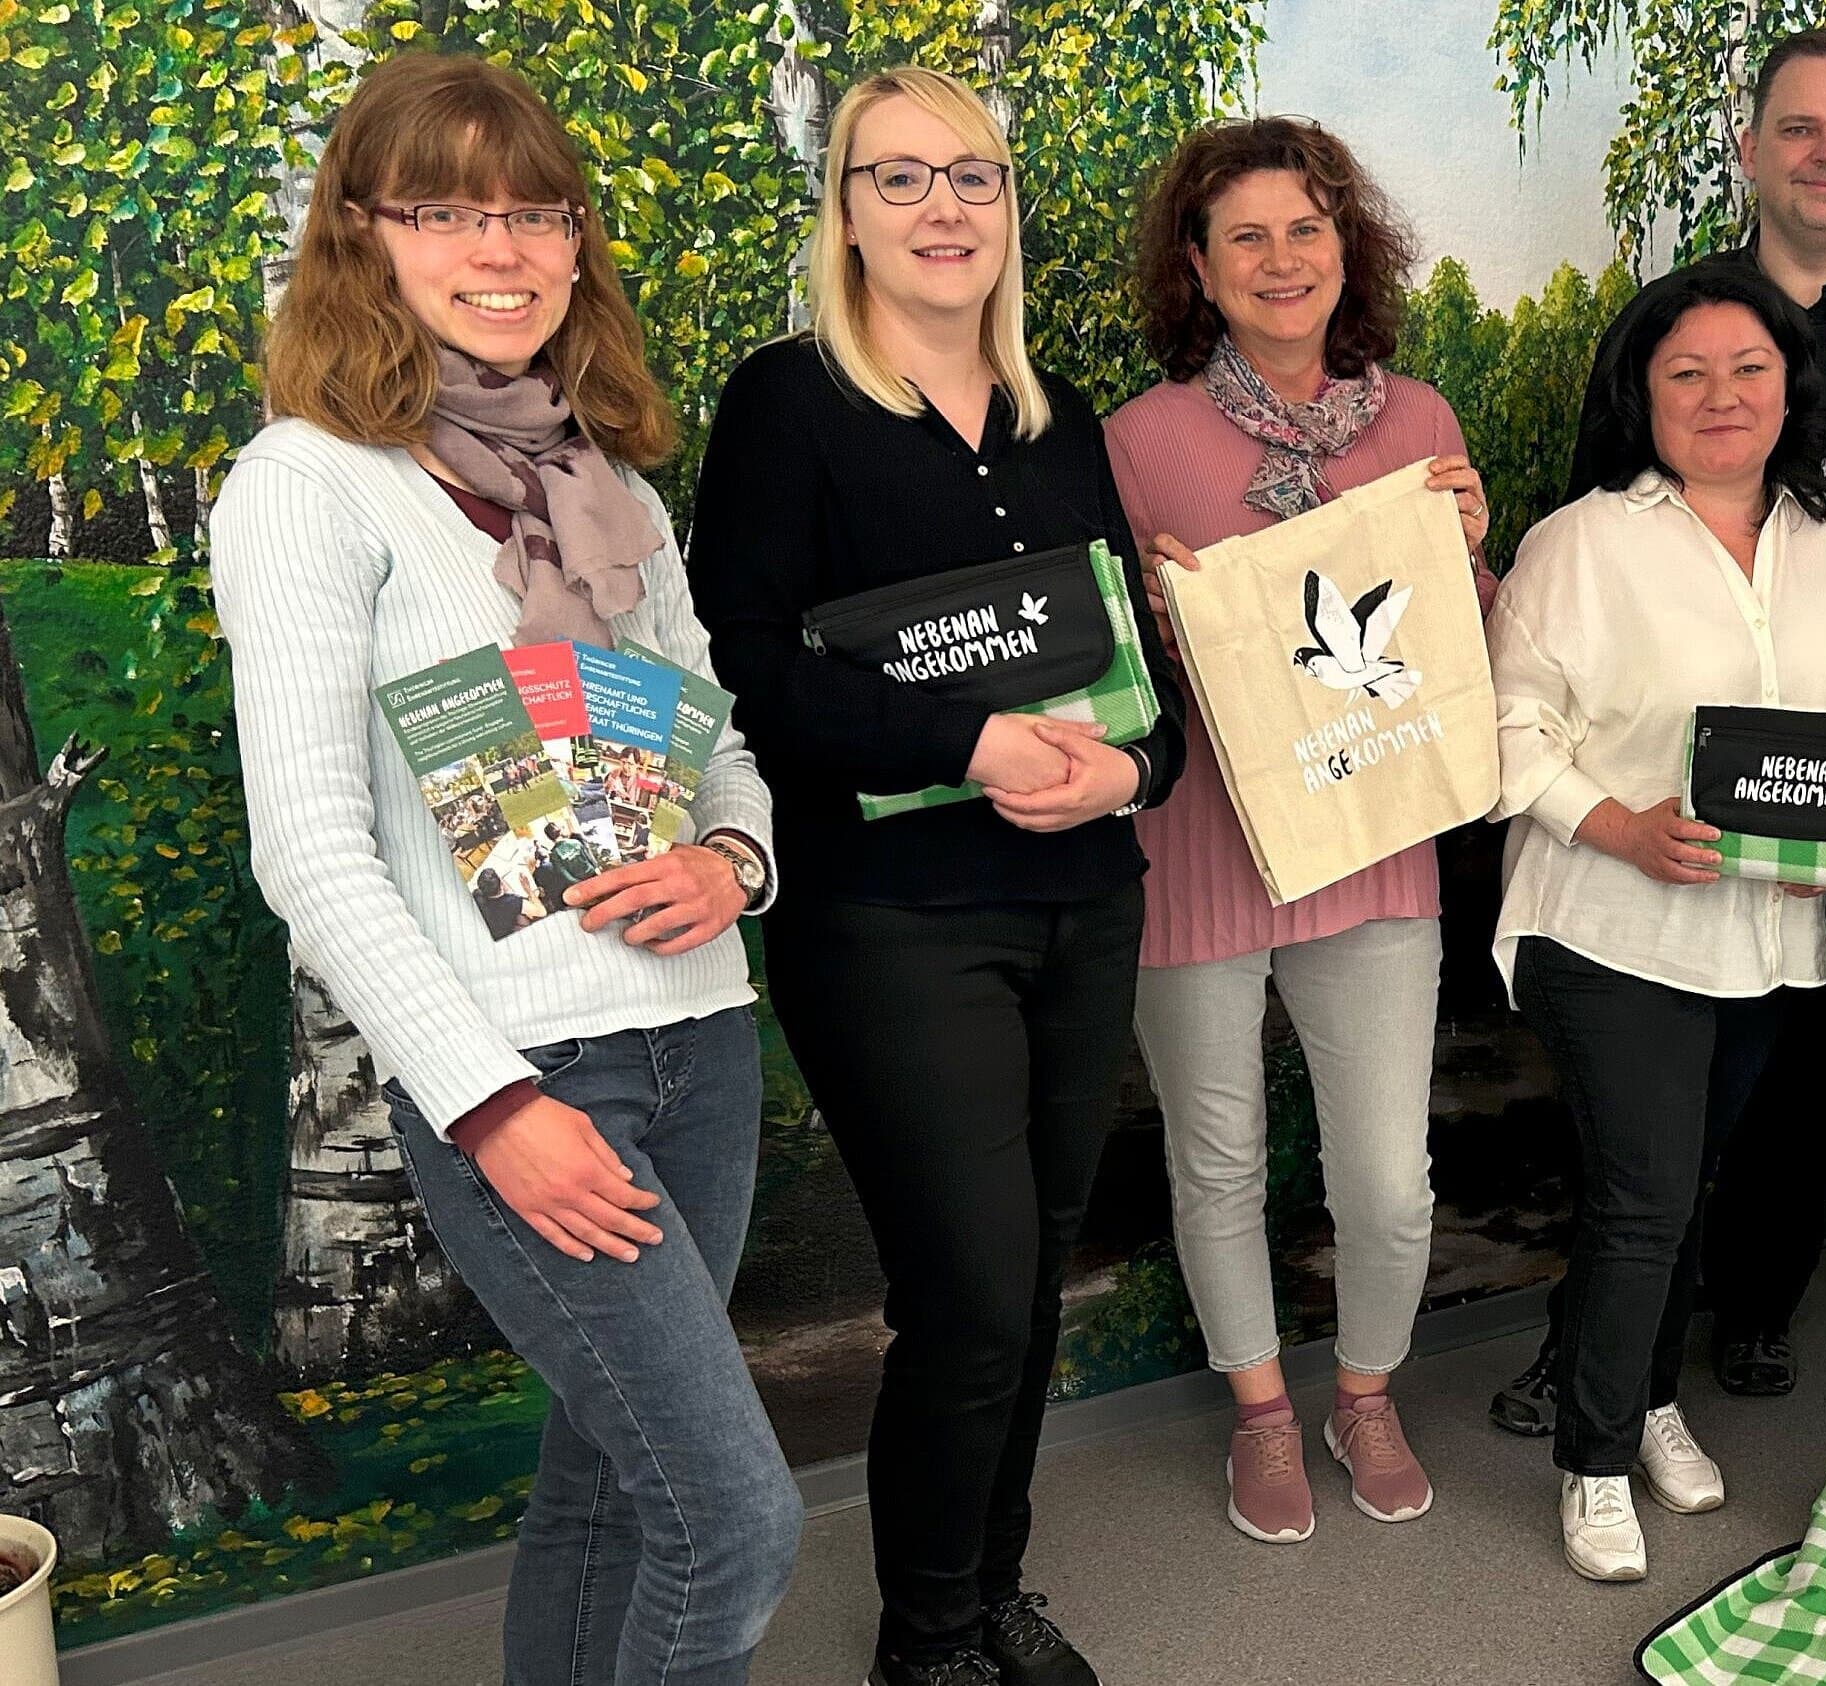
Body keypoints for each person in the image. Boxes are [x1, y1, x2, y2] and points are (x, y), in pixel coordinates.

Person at [209, 52, 798, 1686]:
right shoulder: (309, 487)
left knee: (611, 1487)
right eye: (450, 208)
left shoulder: (607, 487)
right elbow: (311, 858)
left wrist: (734, 861)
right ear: (362, 234)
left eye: (537, 210)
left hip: (702, 1043)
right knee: (736, 1521)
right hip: (529, 1078)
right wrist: (489, 1104)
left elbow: (718, 739)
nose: (505, 246)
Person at [688, 66, 1183, 1686]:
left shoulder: (1062, 423)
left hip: (1080, 901)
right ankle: (926, 1641)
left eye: (971, 175)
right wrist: (964, 740)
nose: (941, 207)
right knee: (970, 1287)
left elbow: (1150, 698)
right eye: (897, 178)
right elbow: (743, 670)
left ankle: (987, 1590)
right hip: (888, 922)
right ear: (844, 213)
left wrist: (1131, 769)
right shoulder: (786, 405)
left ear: (1007, 209)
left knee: (1032, 1279)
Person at [1499, 26, 1826, 1426]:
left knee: (1803, 1078)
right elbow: (1585, 552)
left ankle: (1748, 1312)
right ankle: (1603, 1356)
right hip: (1646, 833)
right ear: (1748, 148)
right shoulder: (1672, 321)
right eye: (1799, 129)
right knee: (1646, 1130)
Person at [1108, 117, 1495, 1547]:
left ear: (1349, 248)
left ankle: (1368, 1391)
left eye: (1306, 228)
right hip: (1199, 856)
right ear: (1199, 271)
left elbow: (1467, 650)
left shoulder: (1421, 425)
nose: (1282, 260)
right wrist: (1147, 618)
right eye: (1246, 237)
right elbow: (1107, 681)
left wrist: (1466, 550)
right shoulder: (1136, 445)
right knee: (1217, 1164)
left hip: (1378, 843)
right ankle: (1266, 1411)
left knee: (1388, 1176)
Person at [1489, 265, 1826, 1582]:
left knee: (1682, 1188)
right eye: (1687, 373)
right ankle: (1596, 1457)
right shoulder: (1579, 542)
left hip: (1772, 938)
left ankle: (1652, 1393)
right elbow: (1505, 733)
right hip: (1610, 925)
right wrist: (1620, 825)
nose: (1722, 396)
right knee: (1646, 1195)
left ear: (1792, 389)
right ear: (1641, 396)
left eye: (1749, 370)